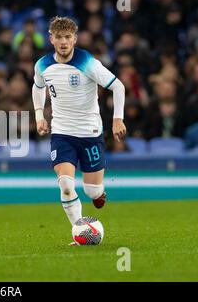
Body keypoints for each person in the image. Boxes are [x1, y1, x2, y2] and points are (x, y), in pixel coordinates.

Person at [31, 17, 126, 244]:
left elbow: (118, 86)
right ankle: (80, 230)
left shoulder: (88, 63)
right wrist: (38, 115)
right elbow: (37, 86)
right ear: (51, 39)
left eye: (67, 37)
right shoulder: (42, 65)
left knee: (92, 191)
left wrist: (117, 119)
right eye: (59, 37)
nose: (63, 42)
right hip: (62, 133)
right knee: (65, 184)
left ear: (74, 38)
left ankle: (99, 193)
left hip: (90, 133)